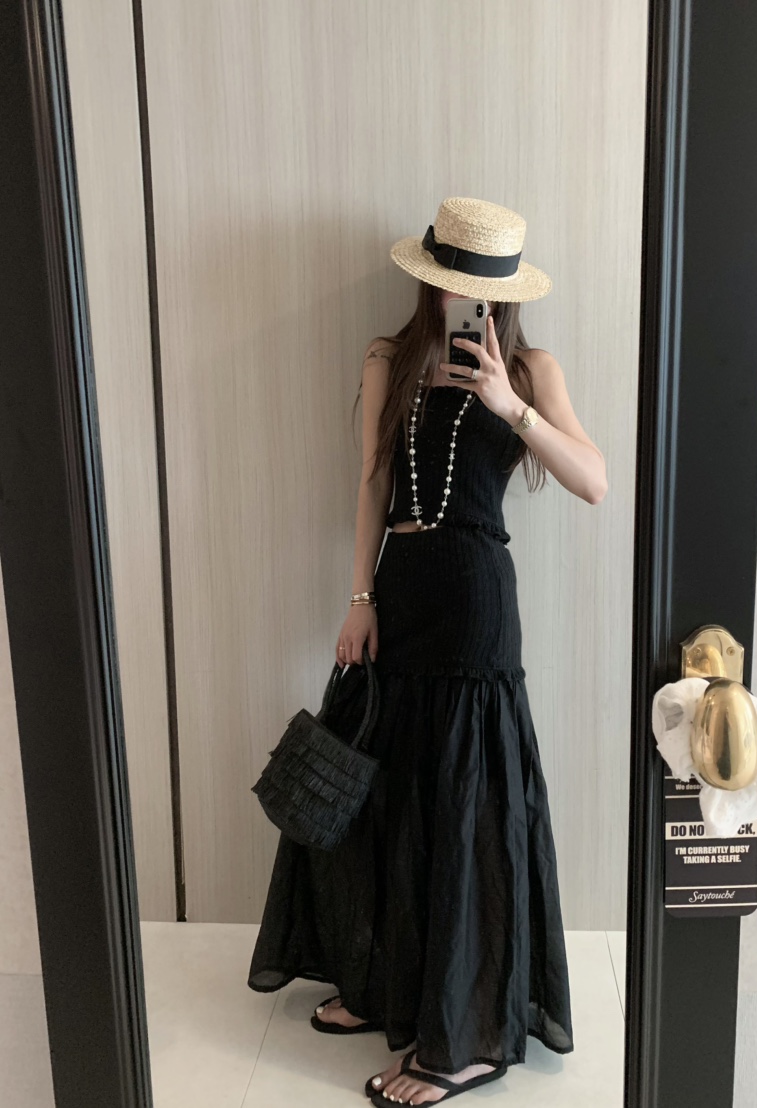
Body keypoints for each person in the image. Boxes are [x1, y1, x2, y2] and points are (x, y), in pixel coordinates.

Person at [247, 197, 607, 1105]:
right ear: (427, 280)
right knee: (391, 793)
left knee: (466, 809)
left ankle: (466, 1037)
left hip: (477, 601)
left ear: (504, 296)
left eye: (476, 290)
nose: (461, 302)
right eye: (448, 283)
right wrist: (359, 596)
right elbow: (371, 483)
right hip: (400, 594)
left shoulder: (531, 368)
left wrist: (510, 407)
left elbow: (595, 480)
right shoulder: (389, 359)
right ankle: (385, 985)